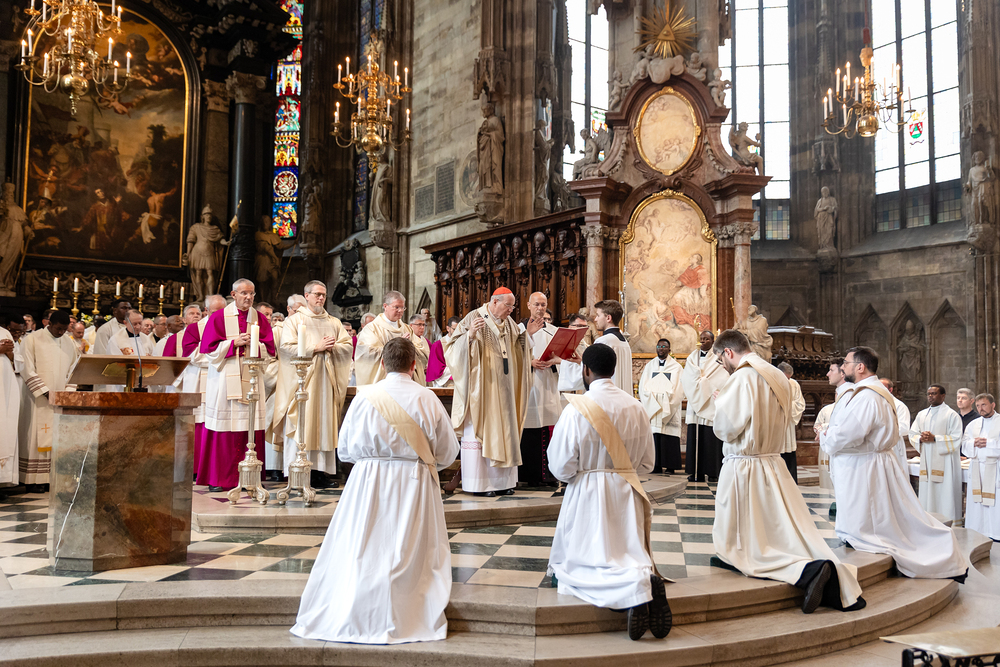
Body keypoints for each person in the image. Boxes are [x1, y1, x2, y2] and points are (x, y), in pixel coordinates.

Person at [291, 338, 460, 644]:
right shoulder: (427, 398)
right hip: (414, 481)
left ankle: (357, 604)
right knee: (407, 547)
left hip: (367, 481)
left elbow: (345, 449)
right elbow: (448, 451)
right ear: (414, 365)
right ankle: (406, 612)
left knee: (363, 544)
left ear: (382, 364)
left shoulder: (364, 396)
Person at [711, 329, 864, 614]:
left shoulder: (743, 377)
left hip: (746, 464)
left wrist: (720, 402)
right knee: (780, 532)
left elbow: (726, 428)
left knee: (747, 547)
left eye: (721, 360)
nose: (722, 366)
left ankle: (806, 572)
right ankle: (819, 569)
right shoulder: (777, 375)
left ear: (728, 352)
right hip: (772, 462)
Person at [546, 343, 671, 641]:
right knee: (627, 553)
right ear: (613, 370)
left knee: (583, 566)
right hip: (628, 491)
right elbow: (647, 463)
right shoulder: (635, 407)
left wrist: (579, 476)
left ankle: (633, 591)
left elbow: (561, 465)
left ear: (585, 370)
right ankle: (642, 578)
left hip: (587, 493)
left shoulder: (576, 409)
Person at [821, 346, 968, 581]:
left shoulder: (867, 396)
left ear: (860, 367)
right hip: (869, 461)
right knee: (881, 515)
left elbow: (850, 433)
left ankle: (936, 552)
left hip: (864, 466)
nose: (843, 367)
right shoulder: (873, 392)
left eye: (846, 363)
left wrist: (826, 436)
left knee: (873, 521)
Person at [444, 287, 540, 497]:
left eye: (513, 306)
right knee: (483, 434)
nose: (511, 310)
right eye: (508, 305)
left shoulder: (509, 323)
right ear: (495, 302)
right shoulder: (474, 317)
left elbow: (518, 348)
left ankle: (503, 483)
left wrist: (528, 335)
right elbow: (451, 350)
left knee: (505, 433)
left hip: (505, 390)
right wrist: (469, 335)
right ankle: (481, 485)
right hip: (482, 391)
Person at [272, 280, 352, 484]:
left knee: (323, 424)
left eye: (323, 295)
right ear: (306, 296)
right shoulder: (294, 321)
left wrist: (333, 347)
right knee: (303, 423)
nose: (321, 298)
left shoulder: (333, 322)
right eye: (317, 294)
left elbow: (347, 345)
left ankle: (319, 472)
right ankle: (298, 471)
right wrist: (315, 348)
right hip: (302, 382)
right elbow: (286, 348)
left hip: (326, 381)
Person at [199, 279, 276, 491]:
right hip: (225, 378)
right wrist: (233, 343)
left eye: (251, 293)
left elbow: (270, 350)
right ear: (233, 295)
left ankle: (249, 478)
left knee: (249, 425)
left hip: (251, 375)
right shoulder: (218, 317)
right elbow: (209, 351)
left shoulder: (259, 318)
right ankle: (220, 479)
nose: (248, 297)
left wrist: (254, 345)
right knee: (224, 427)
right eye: (244, 293)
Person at [17, 310, 80, 492]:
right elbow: (26, 368)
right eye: (58, 328)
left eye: (64, 329)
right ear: (49, 324)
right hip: (37, 398)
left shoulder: (68, 342)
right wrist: (44, 392)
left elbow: (74, 369)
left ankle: (50, 478)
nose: (61, 332)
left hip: (59, 399)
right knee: (36, 436)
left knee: (56, 438)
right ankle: (33, 480)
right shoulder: (32, 339)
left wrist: (67, 393)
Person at [520, 292, 561, 487]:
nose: (540, 308)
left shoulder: (554, 331)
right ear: (529, 305)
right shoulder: (519, 330)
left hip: (548, 385)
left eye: (543, 304)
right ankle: (529, 476)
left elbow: (564, 356)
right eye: (536, 304)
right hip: (528, 386)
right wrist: (529, 362)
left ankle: (549, 476)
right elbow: (508, 356)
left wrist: (555, 361)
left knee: (548, 428)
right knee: (529, 431)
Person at [909, 384, 963, 522]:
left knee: (945, 493)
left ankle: (948, 520)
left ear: (943, 396)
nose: (930, 396)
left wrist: (935, 439)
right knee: (928, 492)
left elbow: (957, 438)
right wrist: (920, 438)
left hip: (945, 462)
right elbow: (912, 433)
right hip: (927, 460)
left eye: (934, 393)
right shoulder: (922, 414)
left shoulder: (951, 415)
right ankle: (929, 521)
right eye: (929, 394)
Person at [680, 330, 727, 482]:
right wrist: (699, 383)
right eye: (701, 338)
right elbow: (687, 377)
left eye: (706, 339)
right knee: (695, 438)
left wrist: (704, 383)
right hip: (695, 401)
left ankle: (712, 472)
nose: (703, 341)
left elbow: (722, 377)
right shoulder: (692, 357)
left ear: (713, 341)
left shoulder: (718, 357)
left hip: (710, 402)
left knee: (709, 438)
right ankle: (696, 472)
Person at [182, 298, 220, 481]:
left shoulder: (227, 327)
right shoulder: (194, 329)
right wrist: (219, 356)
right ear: (207, 310)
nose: (219, 315)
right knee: (198, 425)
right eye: (215, 311)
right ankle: (195, 468)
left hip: (218, 381)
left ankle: (212, 467)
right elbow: (193, 355)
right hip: (199, 381)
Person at [637, 339, 683, 475]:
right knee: (655, 435)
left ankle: (670, 466)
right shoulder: (650, 366)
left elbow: (679, 388)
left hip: (669, 406)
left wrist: (668, 402)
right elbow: (643, 387)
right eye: (659, 346)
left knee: (669, 435)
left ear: (669, 349)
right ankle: (655, 465)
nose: (661, 348)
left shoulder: (676, 368)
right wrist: (652, 400)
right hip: (654, 405)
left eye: (664, 346)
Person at [354, 291, 416, 386]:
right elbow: (368, 353)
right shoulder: (371, 329)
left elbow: (420, 351)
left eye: (403, 307)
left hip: (405, 382)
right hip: (381, 382)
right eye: (396, 307)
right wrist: (398, 345)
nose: (400, 310)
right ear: (385, 306)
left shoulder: (407, 329)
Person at [962, 393, 1000, 541]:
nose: (980, 408)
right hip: (977, 468)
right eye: (978, 406)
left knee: (995, 502)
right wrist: (973, 443)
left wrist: (988, 443)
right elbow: (964, 445)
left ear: (993, 405)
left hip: (995, 468)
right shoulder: (973, 424)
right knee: (977, 502)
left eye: (984, 405)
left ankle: (995, 532)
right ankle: (978, 530)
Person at [813, 359, 852, 491]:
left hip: (848, 457)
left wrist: (825, 433)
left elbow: (846, 429)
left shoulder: (849, 395)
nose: (827, 374)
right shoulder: (843, 394)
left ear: (842, 373)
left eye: (831, 370)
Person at [592, 300, 633, 395]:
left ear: (608, 318)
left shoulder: (603, 341)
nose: (595, 319)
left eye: (598, 315)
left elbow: (593, 371)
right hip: (623, 396)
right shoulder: (624, 342)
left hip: (608, 395)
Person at [777, 362, 806, 483]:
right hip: (775, 425)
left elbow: (800, 404)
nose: (788, 381)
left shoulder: (794, 384)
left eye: (789, 378)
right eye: (786, 378)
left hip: (787, 426)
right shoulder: (769, 382)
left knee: (788, 454)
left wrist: (785, 405)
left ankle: (791, 483)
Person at [880, 378, 911, 469]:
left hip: (894, 446)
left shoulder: (899, 406)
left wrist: (883, 431)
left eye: (882, 387)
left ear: (890, 390)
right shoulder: (875, 404)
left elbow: (904, 428)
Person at [0, 325, 17, 486]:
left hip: (5, 390)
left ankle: (2, 481)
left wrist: (11, 354)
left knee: (4, 429)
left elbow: (17, 361)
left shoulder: (4, 332)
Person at [426, 316, 460, 387]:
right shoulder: (438, 345)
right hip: (444, 383)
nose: (458, 332)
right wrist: (458, 372)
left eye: (460, 329)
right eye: (454, 329)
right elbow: (436, 369)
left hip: (460, 383)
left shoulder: (463, 344)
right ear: (448, 328)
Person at [407, 314, 431, 386]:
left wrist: (429, 366)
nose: (422, 327)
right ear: (411, 325)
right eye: (419, 325)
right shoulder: (408, 339)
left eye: (423, 325)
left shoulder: (425, 340)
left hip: (425, 375)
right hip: (413, 374)